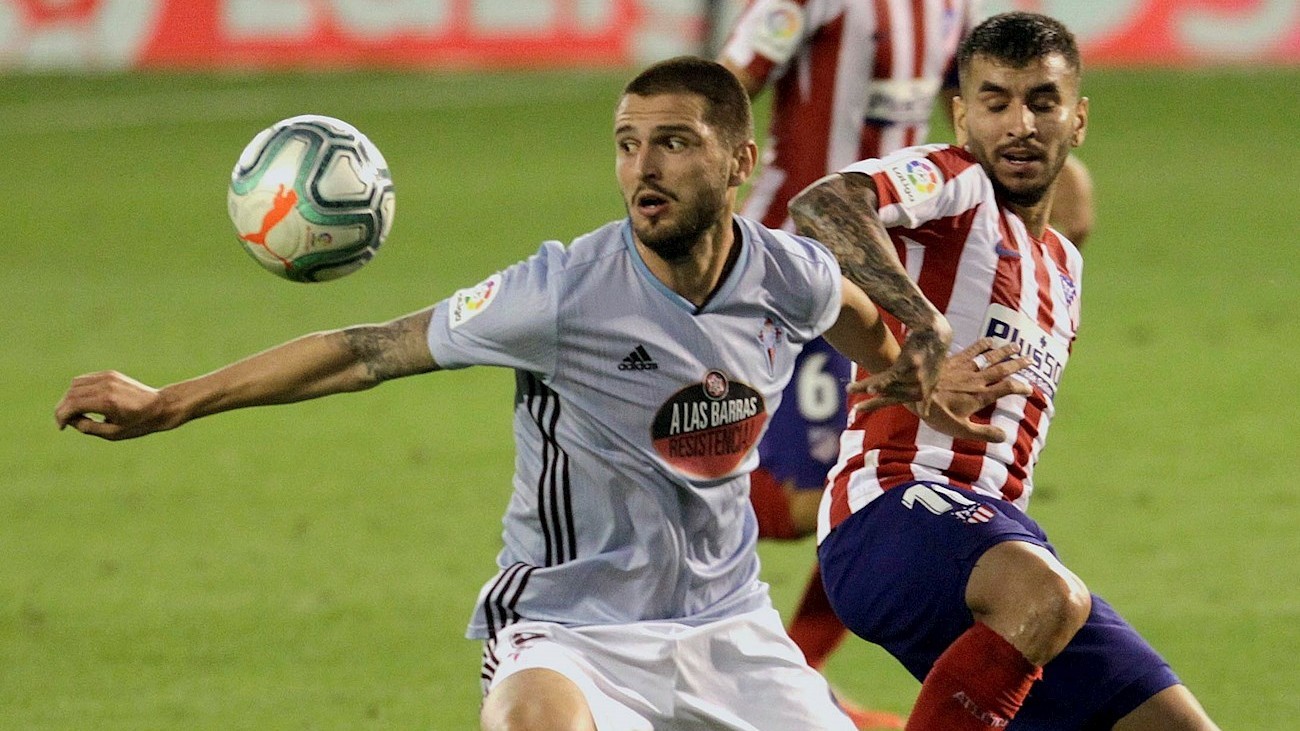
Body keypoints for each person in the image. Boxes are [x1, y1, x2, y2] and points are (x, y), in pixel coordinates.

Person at [55, 57, 1026, 731]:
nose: (642, 166)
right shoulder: (560, 291)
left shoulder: (787, 274)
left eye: (674, 143)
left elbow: (863, 326)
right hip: (570, 627)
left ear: (738, 164)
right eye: (626, 142)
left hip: (727, 622)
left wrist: (916, 379)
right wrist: (173, 400)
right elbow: (366, 348)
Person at [789, 12, 1219, 730]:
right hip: (890, 510)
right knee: (1045, 596)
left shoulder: (1065, 268)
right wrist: (920, 324)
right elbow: (825, 204)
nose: (1019, 124)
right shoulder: (956, 184)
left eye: (1042, 102)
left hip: (991, 535)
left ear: (1077, 119)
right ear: (962, 114)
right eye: (995, 102)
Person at [717, 4, 1095, 725]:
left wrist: (1046, 165)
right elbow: (725, 88)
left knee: (877, 476)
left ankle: (794, 672)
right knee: (771, 480)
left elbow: (1000, 88)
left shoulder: (952, 9)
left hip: (892, 257)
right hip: (780, 276)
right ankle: (746, 670)